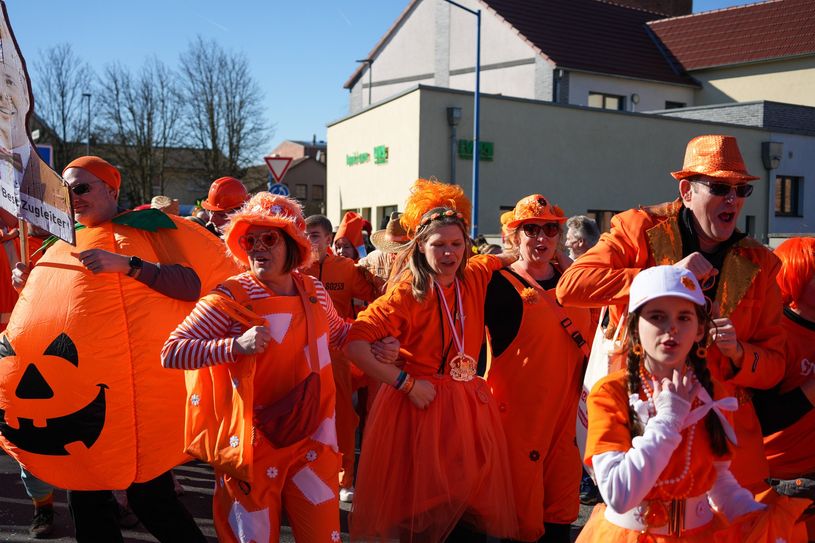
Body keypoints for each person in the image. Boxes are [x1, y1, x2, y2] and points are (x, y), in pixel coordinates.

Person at [2, 156, 236, 543]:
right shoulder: (61, 243)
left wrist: (129, 265)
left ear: (111, 190)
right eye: (66, 192)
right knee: (87, 498)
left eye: (82, 188)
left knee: (150, 495)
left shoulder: (150, 230)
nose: (74, 198)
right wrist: (27, 280)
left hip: (140, 392)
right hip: (79, 392)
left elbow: (193, 283)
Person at [161, 192, 398, 542]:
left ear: (292, 246)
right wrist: (234, 346)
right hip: (252, 448)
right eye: (250, 240)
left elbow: (340, 333)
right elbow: (172, 351)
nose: (258, 247)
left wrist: (377, 346)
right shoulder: (229, 297)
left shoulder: (313, 289)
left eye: (269, 238)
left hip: (313, 439)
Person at [557, 135, 785, 493]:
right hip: (644, 425)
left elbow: (775, 366)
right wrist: (664, 277)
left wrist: (739, 352)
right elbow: (571, 286)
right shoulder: (639, 228)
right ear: (687, 191)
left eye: (741, 190)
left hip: (723, 446)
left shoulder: (760, 263)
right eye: (719, 188)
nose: (732, 199)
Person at [578, 265, 806, 543]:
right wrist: (668, 419)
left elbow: (719, 482)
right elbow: (618, 495)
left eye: (684, 317)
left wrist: (757, 518)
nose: (671, 328)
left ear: (700, 330)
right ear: (635, 326)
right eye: (657, 316)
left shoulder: (713, 393)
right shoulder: (611, 392)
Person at [345, 178, 518, 542]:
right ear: (421, 246)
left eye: (456, 244)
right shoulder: (407, 294)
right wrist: (405, 383)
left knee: (467, 510)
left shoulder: (474, 275)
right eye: (439, 245)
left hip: (466, 407)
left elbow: (509, 257)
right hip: (421, 408)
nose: (448, 253)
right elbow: (355, 344)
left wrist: (557, 258)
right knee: (424, 514)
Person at [484, 194, 590, 543]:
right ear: (514, 237)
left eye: (550, 230)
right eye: (530, 230)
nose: (541, 238)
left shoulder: (575, 283)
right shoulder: (496, 285)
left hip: (567, 422)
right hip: (518, 425)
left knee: (560, 516)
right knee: (520, 522)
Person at [303, 213, 384, 503]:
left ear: (328, 239)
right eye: (304, 235)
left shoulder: (347, 269)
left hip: (335, 351)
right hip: (299, 351)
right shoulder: (294, 267)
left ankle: (344, 477)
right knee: (303, 414)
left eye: (314, 235)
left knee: (342, 416)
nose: (309, 241)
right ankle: (305, 474)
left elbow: (377, 298)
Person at [753, 237, 815, 539]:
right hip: (782, 482)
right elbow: (762, 418)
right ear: (796, 277)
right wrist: (811, 390)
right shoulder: (776, 334)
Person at [359, 211, 410, 282]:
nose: (392, 253)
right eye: (390, 249)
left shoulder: (417, 262)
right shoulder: (375, 258)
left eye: (397, 250)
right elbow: (358, 268)